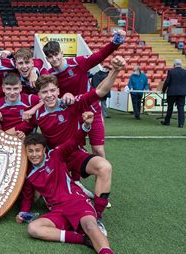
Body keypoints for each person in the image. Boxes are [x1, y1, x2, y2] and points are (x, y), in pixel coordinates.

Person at [18, 114, 122, 254]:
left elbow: (74, 141)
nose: (34, 154)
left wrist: (86, 127)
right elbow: (28, 198)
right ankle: (83, 240)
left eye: (37, 150)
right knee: (34, 229)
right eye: (30, 151)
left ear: (44, 149)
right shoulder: (29, 175)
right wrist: (23, 212)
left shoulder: (56, 156)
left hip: (75, 201)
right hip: (57, 211)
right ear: (26, 152)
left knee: (90, 225)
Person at [29, 56, 126, 235]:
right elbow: (23, 131)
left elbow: (100, 92)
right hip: (56, 161)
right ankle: (72, 198)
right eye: (44, 92)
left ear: (58, 90)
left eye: (52, 90)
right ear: (39, 96)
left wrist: (115, 71)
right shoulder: (37, 115)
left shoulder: (71, 103)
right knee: (37, 198)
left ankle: (97, 217)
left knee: (104, 167)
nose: (49, 95)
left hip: (74, 154)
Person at [43, 30, 126, 158]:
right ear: (47, 58)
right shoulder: (50, 75)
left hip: (91, 109)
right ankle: (73, 177)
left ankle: (102, 173)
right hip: (71, 115)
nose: (54, 59)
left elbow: (100, 55)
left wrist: (116, 43)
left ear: (61, 53)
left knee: (98, 150)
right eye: (50, 57)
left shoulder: (78, 63)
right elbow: (47, 95)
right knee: (71, 149)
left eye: (56, 54)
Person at [161, 59, 186, 128]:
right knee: (181, 108)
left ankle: (167, 121)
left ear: (174, 64)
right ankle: (181, 124)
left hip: (172, 92)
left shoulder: (171, 71)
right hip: (182, 92)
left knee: (170, 108)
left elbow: (167, 82)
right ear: (181, 64)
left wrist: (163, 90)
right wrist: (184, 88)